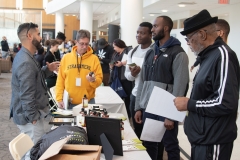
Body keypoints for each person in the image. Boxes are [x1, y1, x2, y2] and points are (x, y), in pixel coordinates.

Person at [174, 9, 240, 160]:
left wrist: (190, 104)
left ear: (202, 35)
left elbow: (225, 102)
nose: (188, 44)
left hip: (214, 138)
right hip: (202, 137)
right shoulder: (207, 56)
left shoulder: (223, 56)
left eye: (189, 39)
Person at [134, 16, 189, 160]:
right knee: (149, 144)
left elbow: (180, 86)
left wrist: (171, 115)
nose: (152, 29)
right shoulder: (151, 52)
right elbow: (143, 82)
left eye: (155, 26)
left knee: (170, 145)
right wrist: (138, 107)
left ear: (166, 28)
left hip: (166, 109)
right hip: (148, 107)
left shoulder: (178, 53)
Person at [10, 22, 59, 160]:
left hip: (34, 115)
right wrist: (34, 119)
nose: (41, 37)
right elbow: (26, 95)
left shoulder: (27, 56)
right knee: (35, 154)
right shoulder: (25, 61)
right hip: (31, 118)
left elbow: (33, 80)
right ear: (30, 36)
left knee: (35, 152)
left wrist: (47, 70)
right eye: (38, 34)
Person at [55, 29, 103, 109]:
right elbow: (60, 80)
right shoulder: (66, 58)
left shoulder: (94, 59)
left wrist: (93, 80)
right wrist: (59, 98)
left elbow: (99, 79)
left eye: (87, 44)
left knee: (87, 121)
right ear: (76, 42)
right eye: (82, 44)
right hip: (69, 102)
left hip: (87, 101)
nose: (84, 47)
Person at [124, 22, 153, 139]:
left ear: (150, 35)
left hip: (150, 96)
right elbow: (127, 75)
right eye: (137, 32)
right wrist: (132, 74)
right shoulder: (132, 52)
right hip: (136, 94)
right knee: (137, 128)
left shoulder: (154, 51)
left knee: (150, 133)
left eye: (142, 33)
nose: (138, 35)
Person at [109, 39, 133, 119]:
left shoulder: (129, 51)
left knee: (127, 98)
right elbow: (112, 62)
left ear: (119, 45)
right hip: (117, 78)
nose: (114, 48)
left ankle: (128, 115)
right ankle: (118, 114)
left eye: (115, 47)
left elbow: (133, 63)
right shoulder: (115, 54)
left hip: (126, 79)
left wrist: (122, 63)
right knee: (117, 97)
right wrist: (112, 65)